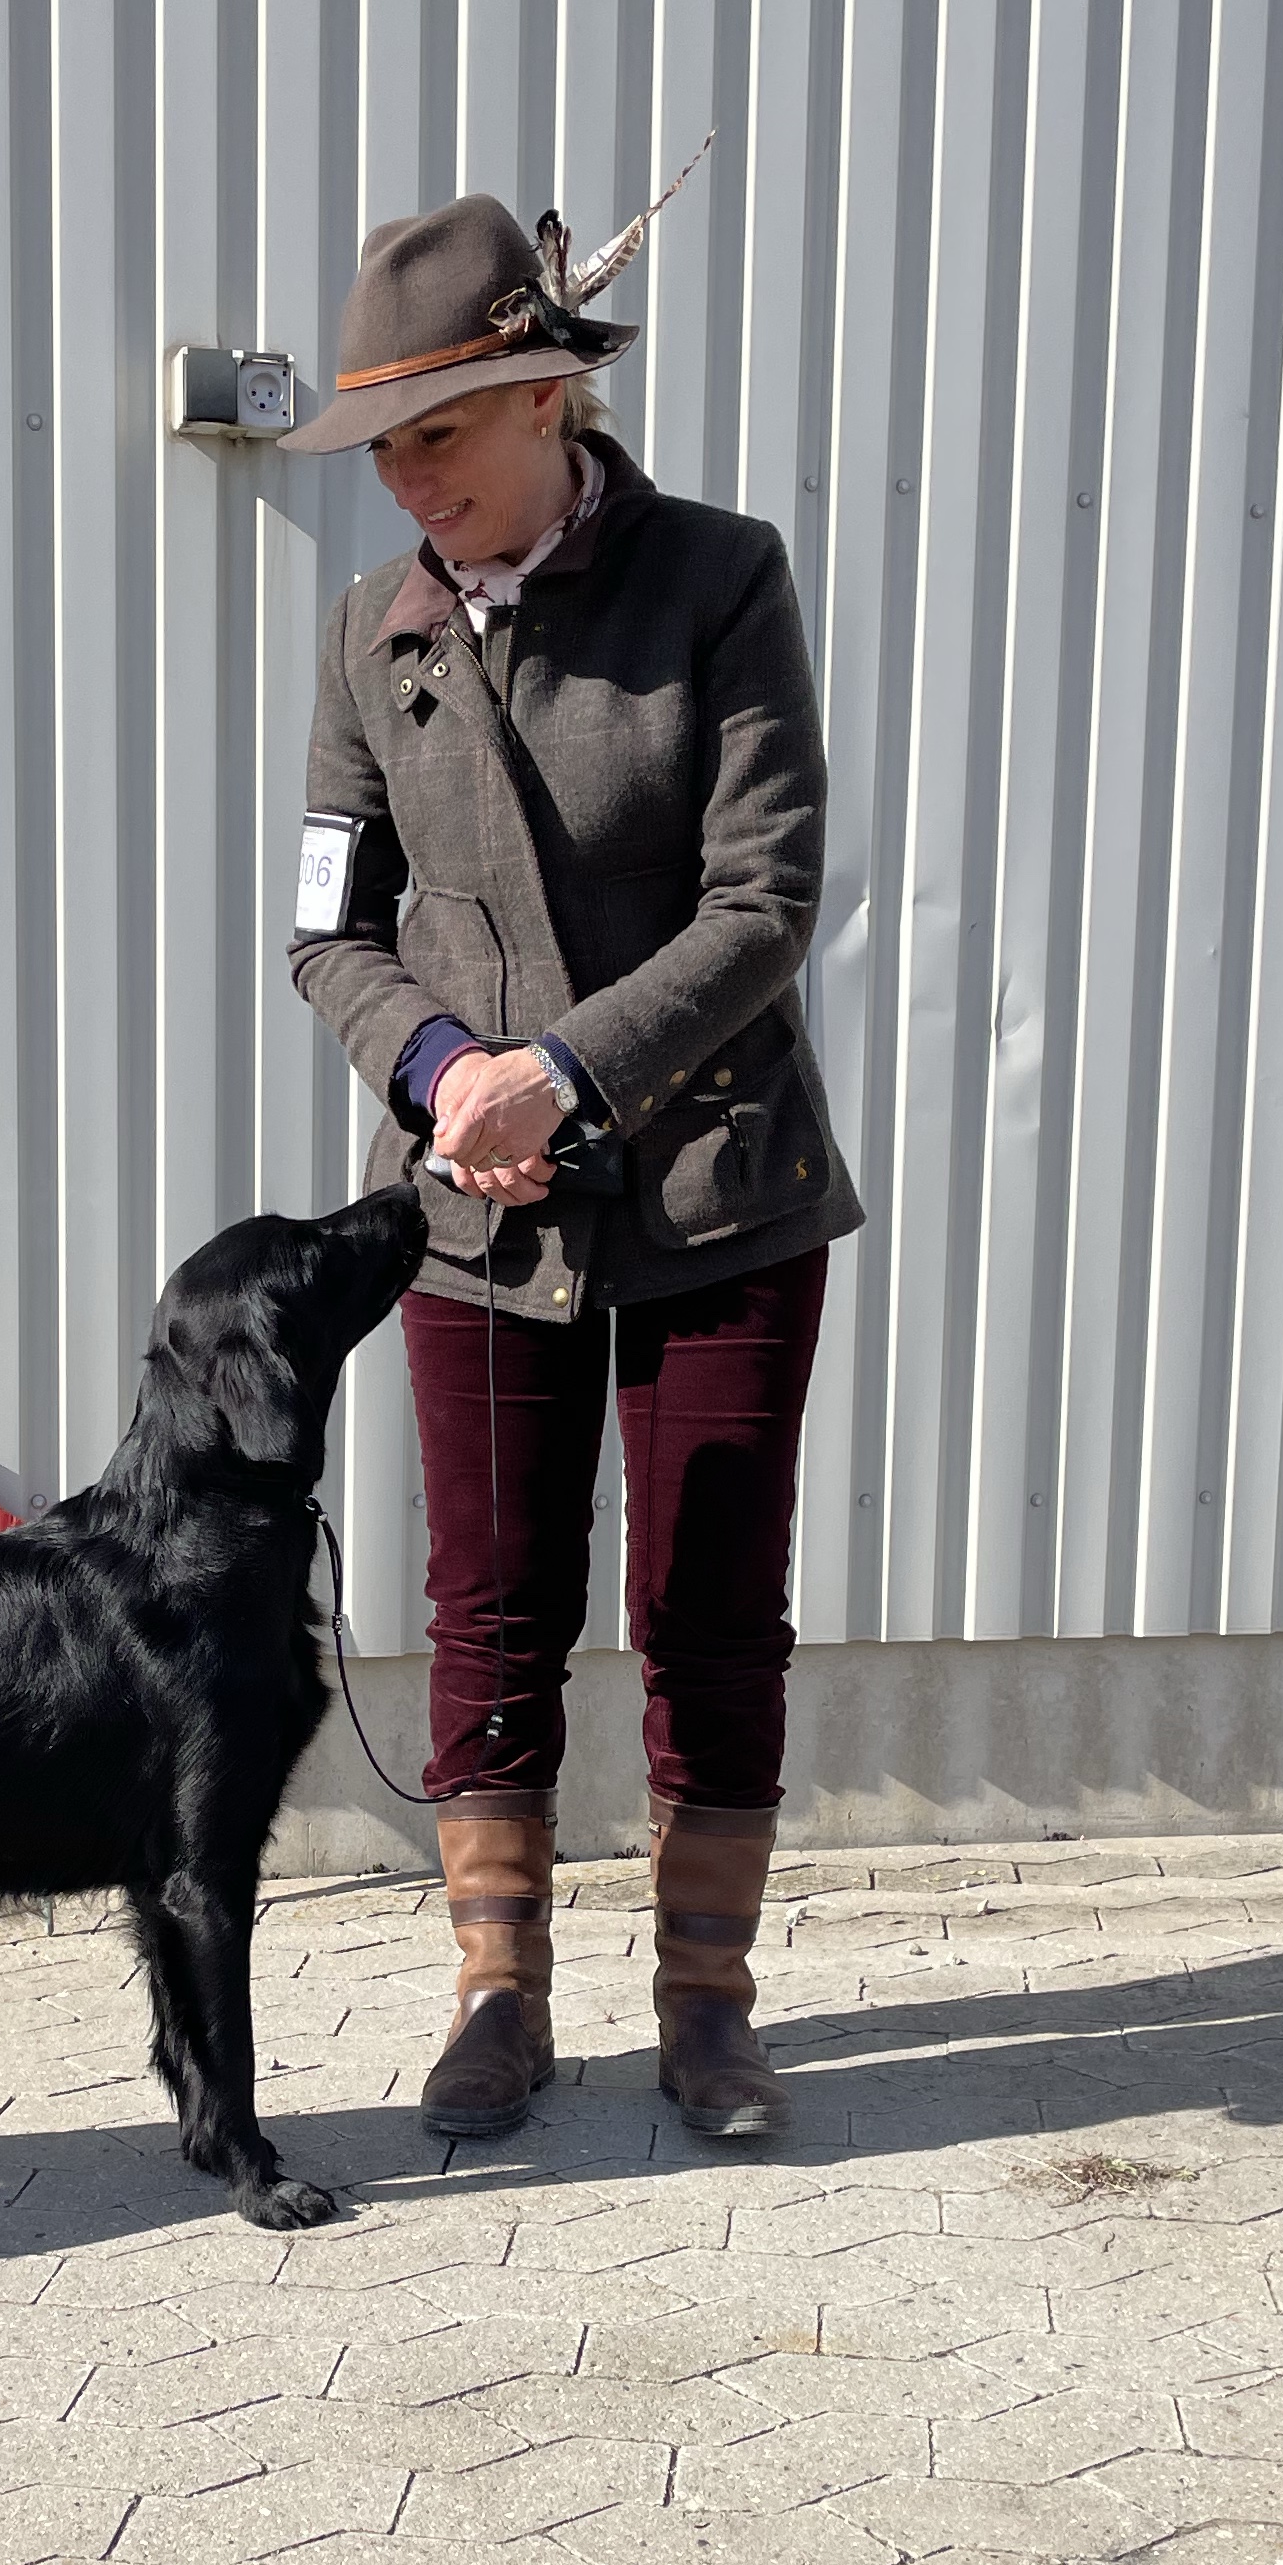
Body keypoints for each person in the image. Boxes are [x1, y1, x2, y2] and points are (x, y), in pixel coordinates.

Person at [281, 188, 860, 2142]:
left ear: (550, 396)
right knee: (493, 1604)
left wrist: (565, 1075)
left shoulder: (717, 578)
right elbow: (328, 928)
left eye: (440, 434)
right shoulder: (374, 631)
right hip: (479, 1204)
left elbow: (765, 900)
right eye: (382, 452)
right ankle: (497, 1994)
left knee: (711, 1606)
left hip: (716, 1188)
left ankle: (708, 2004)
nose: (408, 484)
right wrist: (448, 1071)